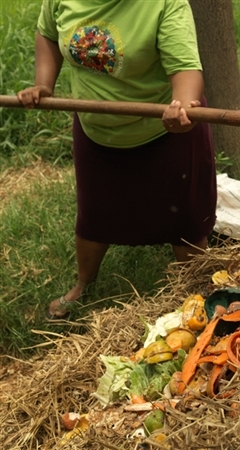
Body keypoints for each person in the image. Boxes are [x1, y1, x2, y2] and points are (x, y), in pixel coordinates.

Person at [17, 0, 217, 319]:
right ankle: (84, 284)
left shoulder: (165, 4)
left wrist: (183, 105)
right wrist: (44, 83)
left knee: (185, 219)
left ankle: (198, 293)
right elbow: (49, 34)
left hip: (165, 130)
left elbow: (185, 69)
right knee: (95, 214)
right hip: (97, 129)